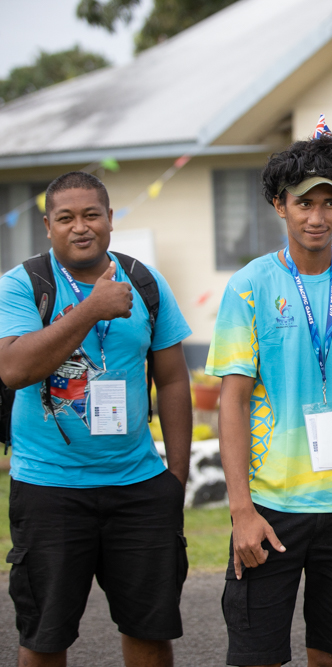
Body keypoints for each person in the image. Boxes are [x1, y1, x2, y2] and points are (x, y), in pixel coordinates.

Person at [206, 132, 332, 667]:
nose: (316, 216)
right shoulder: (249, 286)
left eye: (329, 202)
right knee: (256, 653)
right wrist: (241, 510)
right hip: (270, 507)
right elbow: (231, 402)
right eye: (304, 202)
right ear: (280, 204)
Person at [0, 172, 193, 667]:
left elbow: (172, 380)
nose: (79, 227)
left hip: (139, 487)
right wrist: (91, 309)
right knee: (45, 637)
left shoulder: (145, 282)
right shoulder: (22, 285)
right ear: (47, 226)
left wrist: (175, 477)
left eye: (91, 215)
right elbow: (15, 369)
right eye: (66, 218)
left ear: (110, 220)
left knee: (151, 632)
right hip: (49, 488)